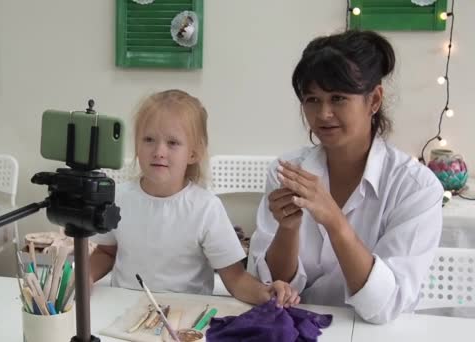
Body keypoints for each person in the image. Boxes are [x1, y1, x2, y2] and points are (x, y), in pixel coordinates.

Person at [247, 30, 443, 323]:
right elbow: (273, 285)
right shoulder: (287, 171)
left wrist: (334, 220)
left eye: (338, 98)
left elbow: (385, 306)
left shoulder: (415, 188)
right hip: (298, 329)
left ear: (374, 100)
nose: (323, 114)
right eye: (312, 99)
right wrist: (287, 229)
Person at [90, 89, 299, 306]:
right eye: (149, 139)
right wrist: (84, 277)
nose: (159, 151)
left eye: (172, 143)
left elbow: (235, 279)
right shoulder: (118, 197)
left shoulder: (206, 208)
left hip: (185, 319)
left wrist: (266, 293)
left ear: (193, 153)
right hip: (120, 312)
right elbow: (106, 252)